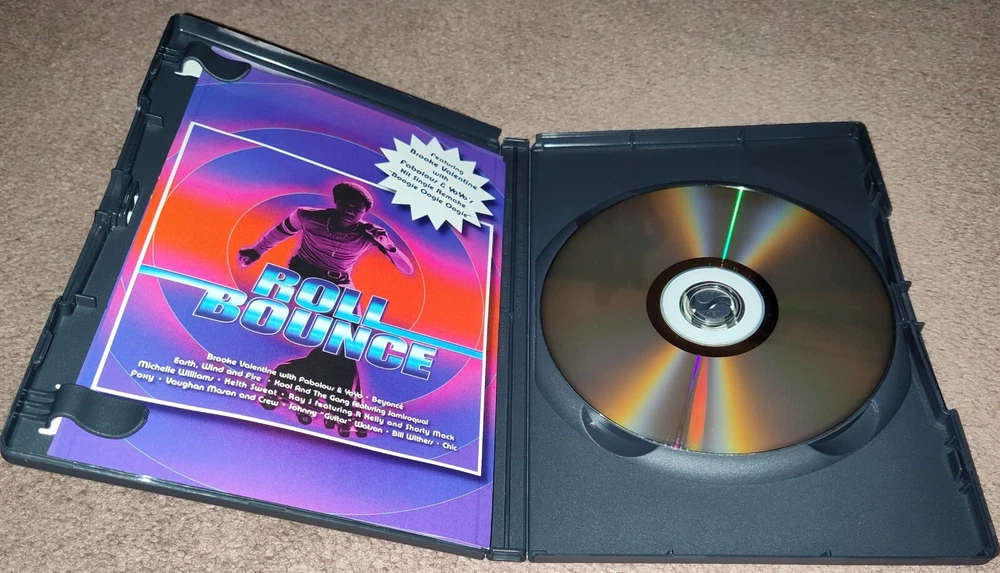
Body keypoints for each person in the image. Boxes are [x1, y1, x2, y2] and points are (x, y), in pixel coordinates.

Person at [239, 181, 413, 437]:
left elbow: (406, 268)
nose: (351, 211)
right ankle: (346, 410)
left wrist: (388, 245)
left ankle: (289, 376)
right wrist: (256, 251)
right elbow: (280, 231)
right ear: (337, 202)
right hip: (306, 274)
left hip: (341, 283)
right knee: (341, 342)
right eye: (347, 204)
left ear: (364, 213)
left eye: (358, 208)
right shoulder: (308, 216)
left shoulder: (368, 234)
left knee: (348, 343)